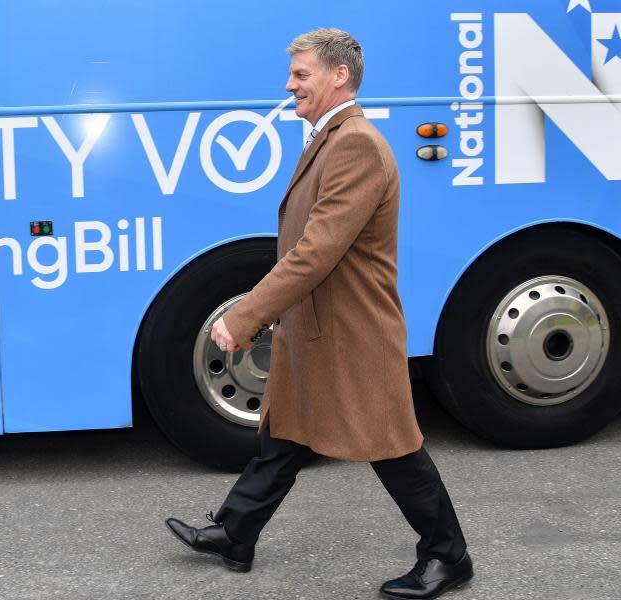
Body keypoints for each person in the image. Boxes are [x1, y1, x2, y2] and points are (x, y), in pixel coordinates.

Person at [165, 28, 472, 600]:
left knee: (392, 445)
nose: (290, 85)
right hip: (318, 326)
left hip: (354, 330)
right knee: (287, 431)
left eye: (302, 74)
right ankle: (236, 532)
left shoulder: (355, 144)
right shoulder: (327, 138)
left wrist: (245, 315)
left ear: (339, 76)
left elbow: (317, 251)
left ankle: (448, 556)